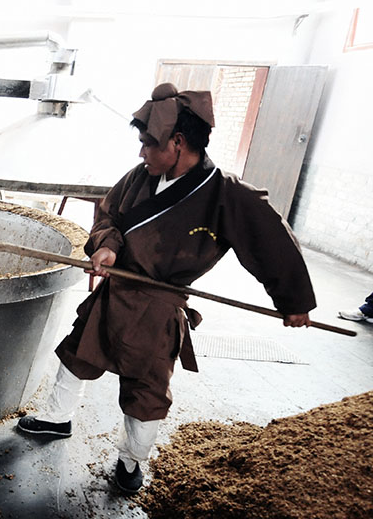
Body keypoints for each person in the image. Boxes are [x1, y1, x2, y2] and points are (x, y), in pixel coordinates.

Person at [16, 83, 316, 495]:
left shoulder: (225, 195)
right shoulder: (140, 177)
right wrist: (106, 246)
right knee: (76, 353)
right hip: (116, 291)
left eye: (148, 144)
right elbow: (107, 215)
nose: (141, 153)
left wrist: (293, 301)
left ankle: (130, 460)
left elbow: (272, 244)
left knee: (147, 389)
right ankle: (56, 418)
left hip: (157, 308)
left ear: (177, 143)